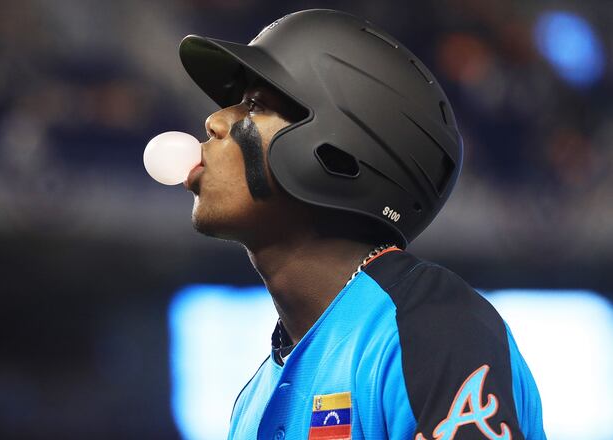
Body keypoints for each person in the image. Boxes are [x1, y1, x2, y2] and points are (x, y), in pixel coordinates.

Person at [178, 9, 545, 440]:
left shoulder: (432, 325)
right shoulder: (252, 400)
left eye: (255, 105)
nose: (215, 121)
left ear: (338, 149)